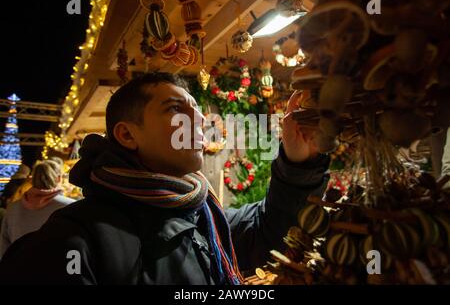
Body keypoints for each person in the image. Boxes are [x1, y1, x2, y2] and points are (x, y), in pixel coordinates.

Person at [0, 72, 329, 284]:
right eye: (175, 108)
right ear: (128, 135)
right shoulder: (71, 241)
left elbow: (269, 231)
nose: (199, 119)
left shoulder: (204, 216)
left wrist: (298, 159)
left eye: (198, 110)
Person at [0, 160, 75, 258]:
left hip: (19, 267)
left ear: (32, 178)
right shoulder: (69, 207)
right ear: (59, 178)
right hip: (53, 268)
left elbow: (4, 245)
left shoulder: (13, 208)